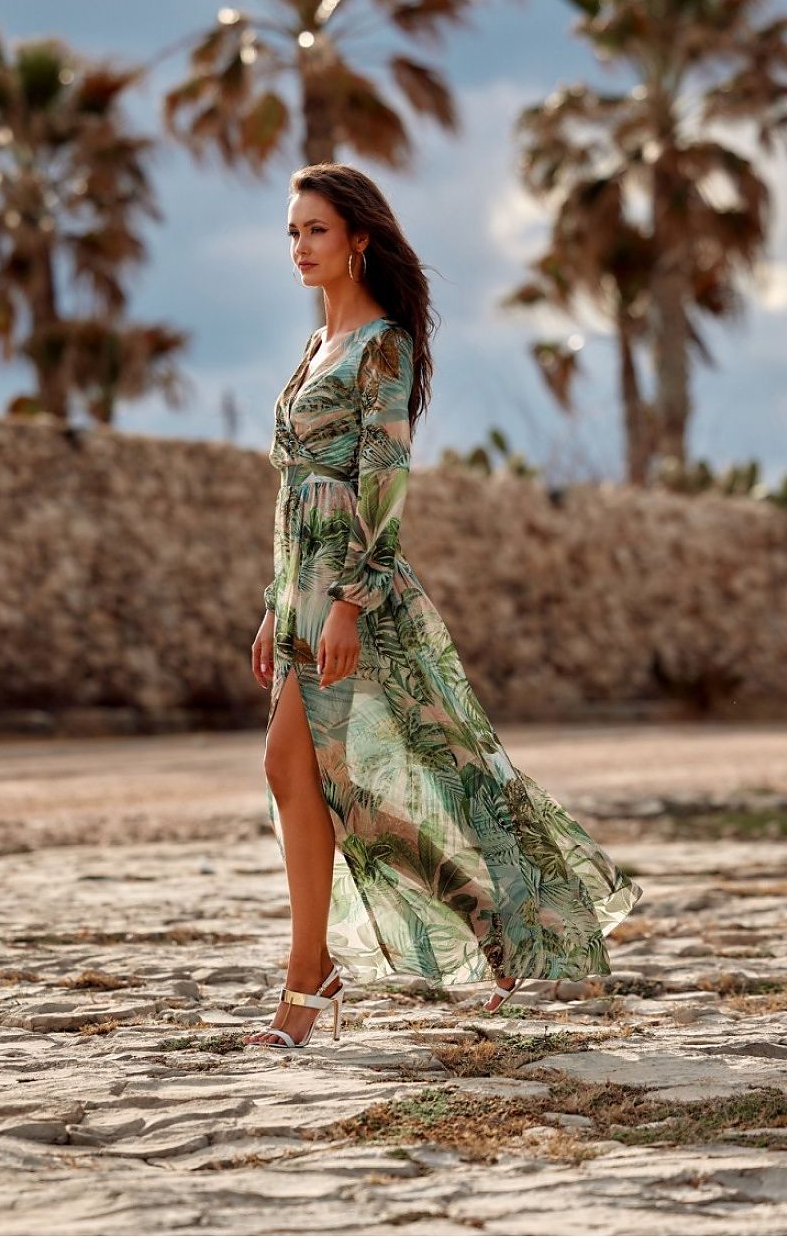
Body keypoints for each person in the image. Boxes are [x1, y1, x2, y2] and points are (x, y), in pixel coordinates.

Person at [247, 163, 643, 1050]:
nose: (301, 248)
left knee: (436, 768)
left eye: (316, 231)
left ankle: (321, 977)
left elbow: (381, 483)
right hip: (303, 589)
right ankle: (366, 954)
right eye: (292, 233)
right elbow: (295, 491)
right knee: (305, 780)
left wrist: (349, 599)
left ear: (359, 239)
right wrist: (278, 603)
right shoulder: (315, 349)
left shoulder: (381, 346)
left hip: (354, 591)